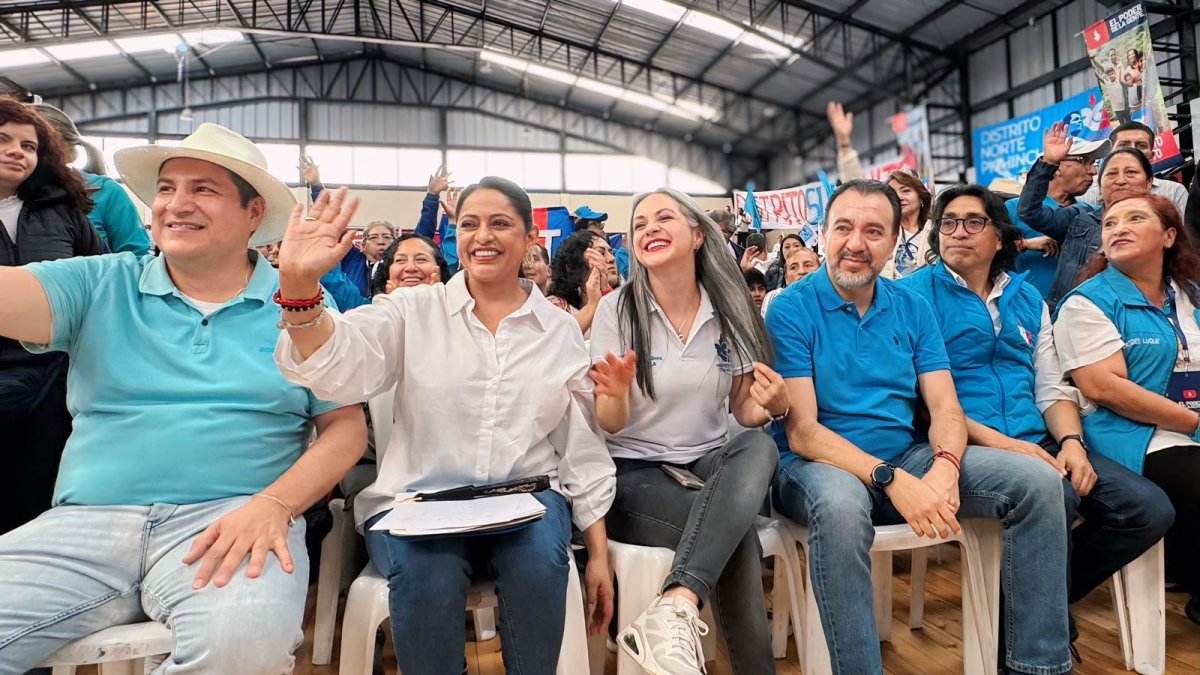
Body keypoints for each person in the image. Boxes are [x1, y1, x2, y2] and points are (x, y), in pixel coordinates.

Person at [0, 122, 366, 672]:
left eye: (204, 189)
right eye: (167, 188)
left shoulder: (298, 306)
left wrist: (274, 504)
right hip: (86, 522)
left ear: (252, 214)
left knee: (241, 649)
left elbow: (345, 427)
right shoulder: (101, 282)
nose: (175, 204)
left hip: (235, 519)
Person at [274, 176, 616, 675]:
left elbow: (580, 446)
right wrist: (301, 287)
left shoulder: (558, 329)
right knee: (425, 574)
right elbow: (339, 364)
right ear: (456, 236)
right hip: (423, 502)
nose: (483, 236)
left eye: (501, 223)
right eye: (470, 224)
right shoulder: (413, 310)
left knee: (540, 565)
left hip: (525, 498)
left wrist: (600, 554)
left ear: (528, 240)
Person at [767, 178, 1072, 675]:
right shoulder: (791, 308)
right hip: (816, 463)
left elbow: (946, 409)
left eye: (873, 231)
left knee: (1038, 483)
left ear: (894, 242)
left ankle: (1037, 667)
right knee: (842, 509)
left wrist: (947, 468)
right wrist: (892, 479)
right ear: (822, 234)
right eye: (843, 227)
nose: (855, 243)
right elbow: (803, 433)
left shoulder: (912, 306)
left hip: (906, 453)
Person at [900, 184, 1173, 651]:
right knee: (1052, 490)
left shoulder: (1026, 299)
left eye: (973, 222)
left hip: (1037, 440)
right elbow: (923, 405)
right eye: (948, 222)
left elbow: (1050, 385)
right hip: (955, 445)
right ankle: (1035, 641)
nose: (958, 232)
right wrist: (1011, 448)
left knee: (1146, 509)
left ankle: (1030, 604)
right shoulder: (911, 297)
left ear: (1001, 238)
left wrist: (1070, 443)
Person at [589, 188, 785, 675]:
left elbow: (742, 410)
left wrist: (771, 407)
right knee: (735, 537)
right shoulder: (617, 310)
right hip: (633, 473)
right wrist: (613, 393)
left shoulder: (729, 307)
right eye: (639, 225)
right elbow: (608, 424)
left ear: (698, 235)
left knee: (759, 445)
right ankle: (683, 606)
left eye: (663, 218)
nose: (649, 229)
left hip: (706, 463)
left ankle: (675, 603)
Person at [1055, 193, 1200, 626]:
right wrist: (1194, 422)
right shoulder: (1087, 302)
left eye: (1135, 218)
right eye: (1109, 223)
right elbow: (1107, 388)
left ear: (1169, 236)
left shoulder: (1190, 295)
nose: (1117, 228)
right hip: (1131, 435)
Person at [0, 98, 106, 535]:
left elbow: (102, 281)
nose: (17, 151)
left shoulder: (61, 211)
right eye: (3, 140)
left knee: (41, 493)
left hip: (53, 378)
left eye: (28, 145)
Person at [1019, 122, 1154, 309]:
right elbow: (1029, 211)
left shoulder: (1162, 224)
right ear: (1100, 184)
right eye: (1111, 174)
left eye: (1131, 172)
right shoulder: (1079, 219)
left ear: (1149, 182)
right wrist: (1048, 162)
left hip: (1140, 316)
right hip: (1075, 317)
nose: (1121, 180)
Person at [827, 101, 933, 279]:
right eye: (893, 192)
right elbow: (855, 187)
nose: (899, 197)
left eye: (906, 191)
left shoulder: (937, 232)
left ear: (921, 198)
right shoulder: (881, 231)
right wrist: (844, 144)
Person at [31, 104, 150, 256]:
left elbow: (137, 256)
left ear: (68, 149)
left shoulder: (105, 191)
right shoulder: (11, 195)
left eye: (37, 144)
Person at [1004, 137, 1107, 299]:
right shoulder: (1013, 208)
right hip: (1027, 312)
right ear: (1057, 165)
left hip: (1076, 310)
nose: (1093, 171)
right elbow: (986, 251)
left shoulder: (1090, 214)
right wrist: (1025, 244)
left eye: (1094, 163)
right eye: (1085, 161)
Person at [1082, 121, 1190, 218]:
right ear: (1110, 153)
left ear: (1152, 156)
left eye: (1141, 145)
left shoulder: (1174, 192)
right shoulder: (1090, 196)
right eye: (1123, 145)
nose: (1132, 150)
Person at [545, 230, 617, 335]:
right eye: (601, 253)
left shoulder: (623, 300)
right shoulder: (556, 307)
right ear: (576, 265)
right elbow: (558, 340)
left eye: (611, 252)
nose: (612, 259)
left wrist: (605, 291)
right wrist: (592, 304)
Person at [369, 233, 451, 295]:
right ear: (387, 271)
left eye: (421, 259)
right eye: (400, 260)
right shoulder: (371, 315)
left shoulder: (459, 314)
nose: (411, 268)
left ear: (440, 267)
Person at [761, 246, 819, 317]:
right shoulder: (774, 298)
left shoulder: (833, 295)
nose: (801, 271)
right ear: (786, 278)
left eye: (808, 265)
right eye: (793, 267)